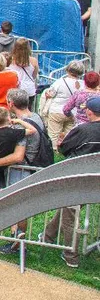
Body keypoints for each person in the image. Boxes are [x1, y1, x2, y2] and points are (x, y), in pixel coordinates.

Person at [45, 95, 100, 267]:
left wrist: (61, 143)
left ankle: (71, 255)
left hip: (78, 178)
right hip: (95, 180)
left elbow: (63, 148)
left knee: (70, 215)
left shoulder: (83, 129)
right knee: (68, 208)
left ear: (90, 112)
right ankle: (47, 236)